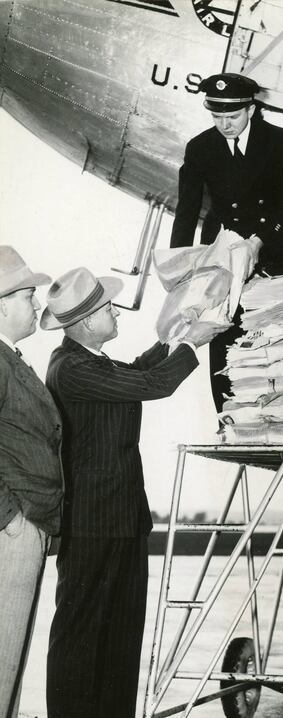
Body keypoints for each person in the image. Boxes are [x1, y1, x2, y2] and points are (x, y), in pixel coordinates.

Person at [42, 267, 224, 718]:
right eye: (108, 308)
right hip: (92, 523)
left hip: (120, 519)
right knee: (81, 631)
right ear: (86, 322)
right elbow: (152, 385)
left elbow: (138, 371)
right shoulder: (72, 368)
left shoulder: (91, 362)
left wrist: (176, 334)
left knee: (121, 635)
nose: (116, 314)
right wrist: (191, 344)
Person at [170, 72, 283, 411]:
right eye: (217, 117)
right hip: (221, 260)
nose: (224, 125)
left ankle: (279, 415)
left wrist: (261, 241)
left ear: (251, 109)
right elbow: (185, 211)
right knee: (223, 342)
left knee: (274, 341)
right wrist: (178, 271)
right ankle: (231, 419)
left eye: (231, 117)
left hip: (269, 252)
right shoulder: (200, 147)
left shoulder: (279, 141)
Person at [0, 246, 63, 718]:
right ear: (1, 304)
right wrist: (11, 518)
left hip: (26, 524)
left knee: (11, 656)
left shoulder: (11, 359)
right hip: (13, 528)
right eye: (28, 295)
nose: (37, 305)